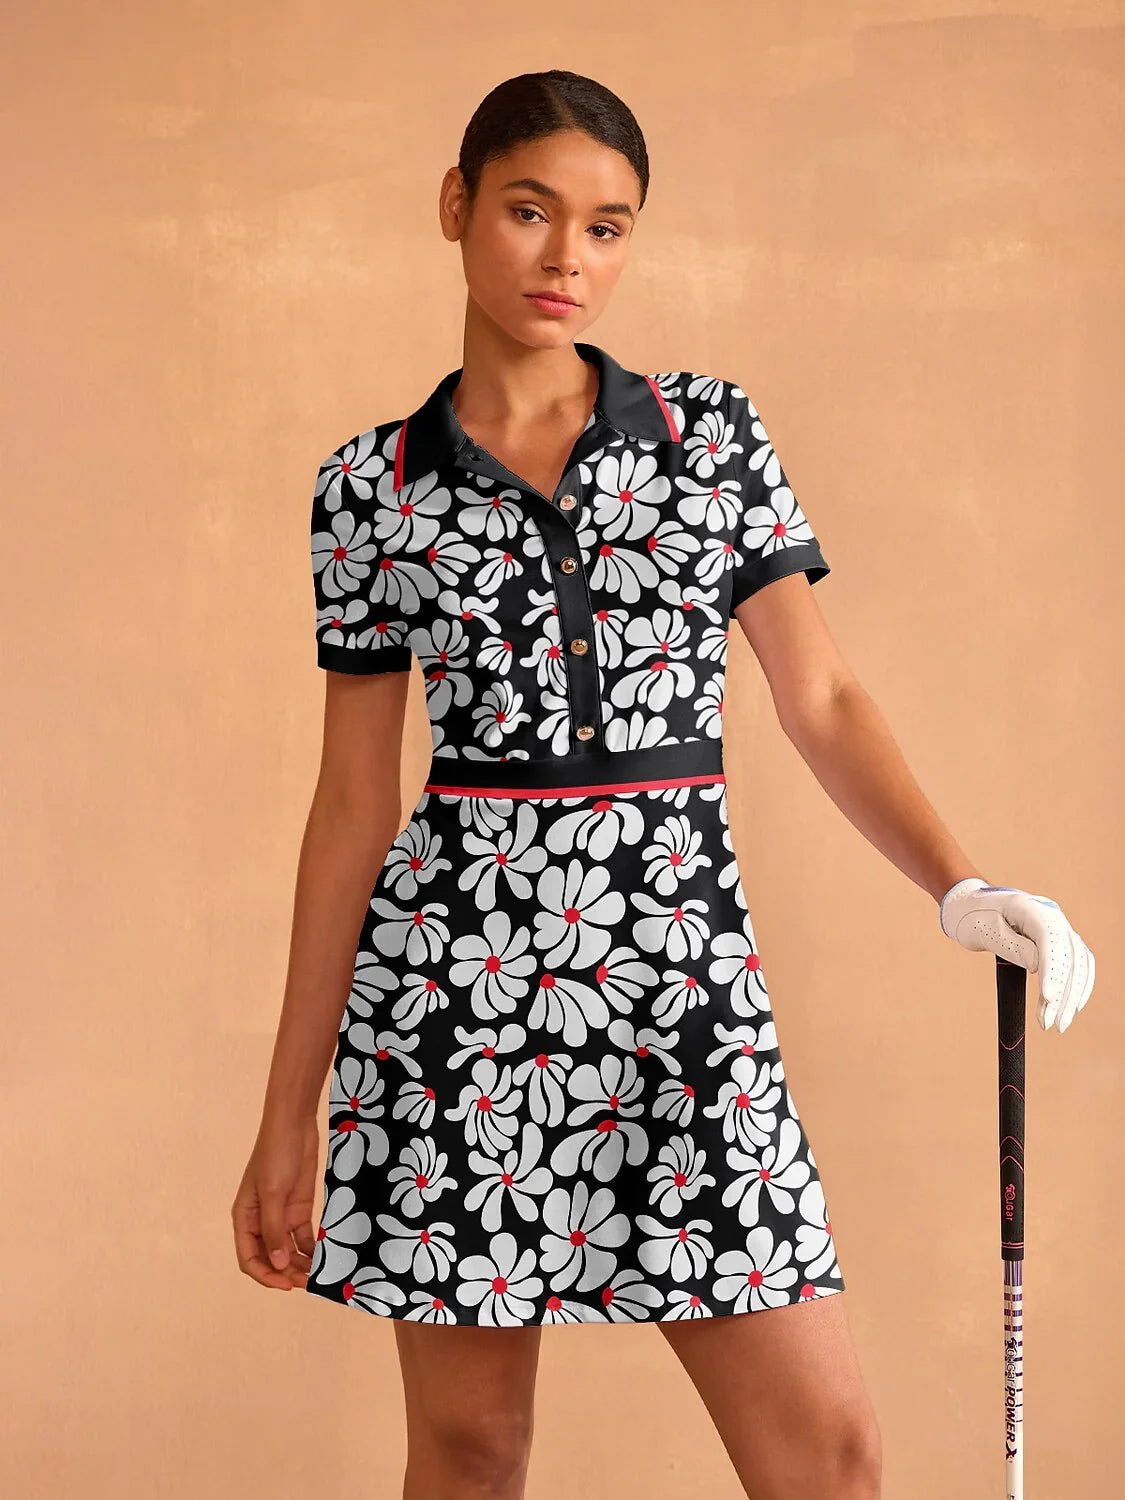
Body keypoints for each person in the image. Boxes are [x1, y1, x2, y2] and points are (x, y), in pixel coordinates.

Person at [231, 69, 1095, 1500]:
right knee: (470, 1451)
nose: (567, 258)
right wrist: (286, 1115)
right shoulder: (368, 488)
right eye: (529, 211)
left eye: (607, 226)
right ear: (455, 206)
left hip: (683, 991)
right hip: (450, 1008)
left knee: (826, 1455)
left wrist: (962, 885)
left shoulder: (708, 438)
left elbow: (820, 698)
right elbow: (350, 810)